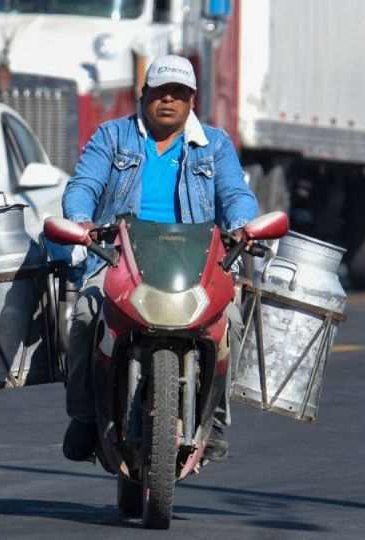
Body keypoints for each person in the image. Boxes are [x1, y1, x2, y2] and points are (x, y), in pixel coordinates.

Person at [60, 55, 259, 462]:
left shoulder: (216, 145)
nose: (168, 100)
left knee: (233, 323)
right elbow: (83, 185)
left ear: (192, 100)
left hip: (197, 264)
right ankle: (83, 417)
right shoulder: (111, 136)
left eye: (179, 94)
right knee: (84, 314)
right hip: (120, 260)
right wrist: (80, 222)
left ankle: (215, 419)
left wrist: (243, 226)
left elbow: (236, 195)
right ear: (143, 94)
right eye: (160, 92)